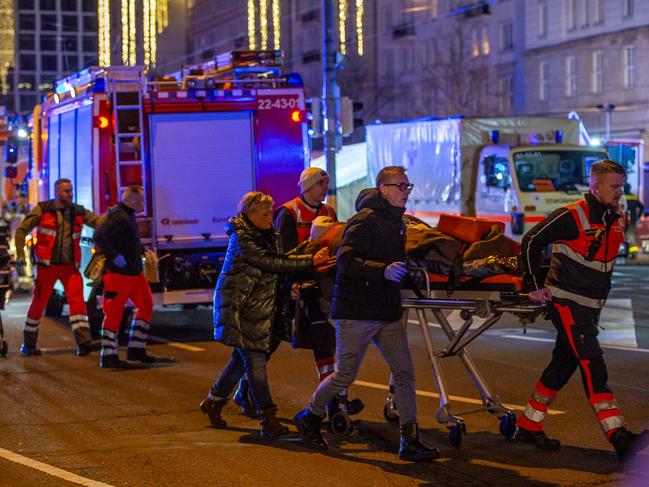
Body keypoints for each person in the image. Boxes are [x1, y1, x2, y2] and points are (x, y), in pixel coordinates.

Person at [294, 166, 440, 462]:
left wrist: (408, 276)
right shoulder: (365, 220)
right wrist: (382, 270)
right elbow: (346, 261)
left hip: (386, 310)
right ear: (384, 189)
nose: (406, 191)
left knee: (404, 372)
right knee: (345, 374)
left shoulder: (398, 221)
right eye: (401, 186)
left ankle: (409, 441)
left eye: (408, 186)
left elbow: (393, 261)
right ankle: (309, 416)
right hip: (356, 311)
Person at [516, 160, 648, 463]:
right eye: (614, 186)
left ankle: (527, 424)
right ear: (595, 186)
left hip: (592, 305)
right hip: (567, 301)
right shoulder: (572, 215)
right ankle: (618, 435)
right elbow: (531, 241)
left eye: (622, 186)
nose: (620, 192)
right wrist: (533, 285)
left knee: (562, 365)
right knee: (592, 364)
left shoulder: (616, 215)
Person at [199, 191, 329, 438]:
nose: (271, 216)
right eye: (266, 212)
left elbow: (281, 258)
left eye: (271, 211)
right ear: (250, 215)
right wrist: (310, 260)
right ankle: (267, 419)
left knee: (240, 361)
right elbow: (272, 263)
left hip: (258, 307)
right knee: (256, 365)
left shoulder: (270, 234)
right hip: (242, 308)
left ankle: (213, 401)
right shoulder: (243, 239)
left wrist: (309, 249)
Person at [272, 167, 364, 418]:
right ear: (308, 187)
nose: (326, 188)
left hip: (319, 286)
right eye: (322, 183)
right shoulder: (289, 213)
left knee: (325, 342)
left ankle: (335, 399)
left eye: (326, 183)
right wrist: (289, 284)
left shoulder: (329, 212)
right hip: (296, 287)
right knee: (268, 344)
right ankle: (247, 387)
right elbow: (283, 255)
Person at [15, 178, 100, 356]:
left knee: (78, 304)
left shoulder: (78, 211)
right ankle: (29, 344)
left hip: (70, 268)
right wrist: (21, 256)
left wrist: (117, 216)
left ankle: (84, 342)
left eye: (71, 191)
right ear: (57, 192)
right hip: (47, 267)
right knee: (39, 303)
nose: (70, 194)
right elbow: (22, 230)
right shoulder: (43, 209)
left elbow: (99, 223)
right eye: (66, 191)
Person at [93, 185, 162, 369]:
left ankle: (136, 349)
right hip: (119, 275)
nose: (144, 204)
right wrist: (115, 256)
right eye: (141, 201)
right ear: (132, 201)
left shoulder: (126, 215)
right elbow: (99, 235)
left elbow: (123, 240)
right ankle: (108, 356)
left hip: (133, 274)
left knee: (146, 304)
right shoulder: (118, 216)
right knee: (113, 313)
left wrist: (140, 251)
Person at [624, 183, 644, 248]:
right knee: (631, 236)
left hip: (623, 220)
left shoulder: (621, 197)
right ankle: (632, 253)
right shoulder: (633, 197)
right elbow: (642, 206)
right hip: (632, 220)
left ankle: (624, 252)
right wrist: (638, 216)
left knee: (623, 236)